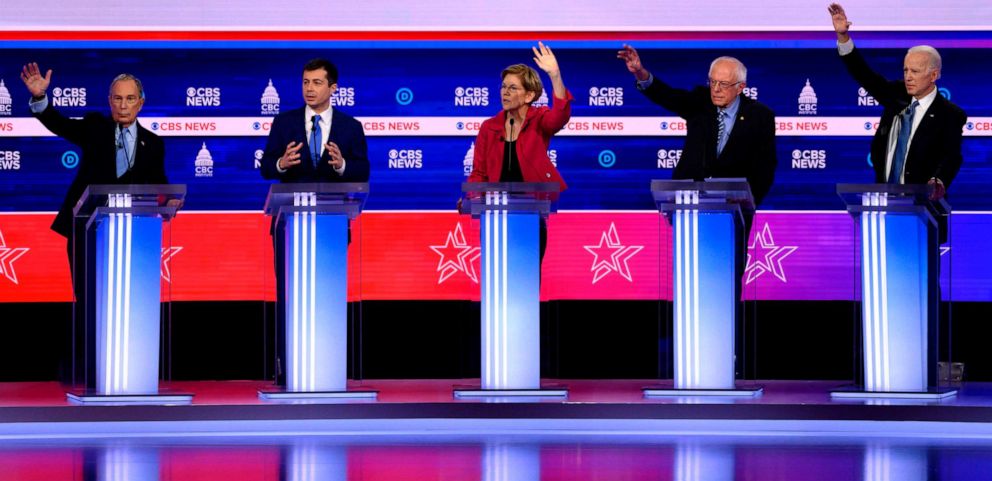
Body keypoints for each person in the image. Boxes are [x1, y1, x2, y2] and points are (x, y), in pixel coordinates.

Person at [20, 63, 169, 386]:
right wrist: (41, 100)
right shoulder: (94, 127)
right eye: (117, 99)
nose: (123, 105)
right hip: (87, 229)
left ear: (141, 102)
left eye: (130, 99)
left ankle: (131, 370)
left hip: (134, 236)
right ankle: (90, 370)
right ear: (109, 101)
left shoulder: (154, 144)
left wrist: (170, 201)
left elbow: (160, 186)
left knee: (130, 302)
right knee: (89, 300)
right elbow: (59, 124)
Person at [259, 58, 369, 386]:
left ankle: (329, 367)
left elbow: (362, 171)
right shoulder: (285, 122)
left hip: (332, 226)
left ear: (333, 88)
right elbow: (266, 167)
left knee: (328, 294)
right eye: (306, 82)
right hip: (288, 225)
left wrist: (341, 166)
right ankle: (288, 368)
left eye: (317, 83)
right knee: (289, 294)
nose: (310, 88)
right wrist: (281, 162)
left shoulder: (351, 127)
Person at [828, 3, 966, 214]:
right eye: (905, 70)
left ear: (934, 75)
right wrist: (844, 38)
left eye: (915, 71)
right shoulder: (896, 97)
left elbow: (952, 156)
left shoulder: (950, 114)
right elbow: (864, 75)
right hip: (884, 205)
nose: (908, 76)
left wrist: (938, 179)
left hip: (924, 210)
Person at [466, 42, 572, 261]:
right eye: (503, 87)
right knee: (499, 274)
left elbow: (559, 117)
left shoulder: (539, 120)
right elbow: (479, 173)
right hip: (496, 214)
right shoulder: (489, 127)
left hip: (532, 212)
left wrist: (555, 75)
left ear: (529, 96)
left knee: (528, 274)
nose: (505, 92)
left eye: (512, 88)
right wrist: (473, 198)